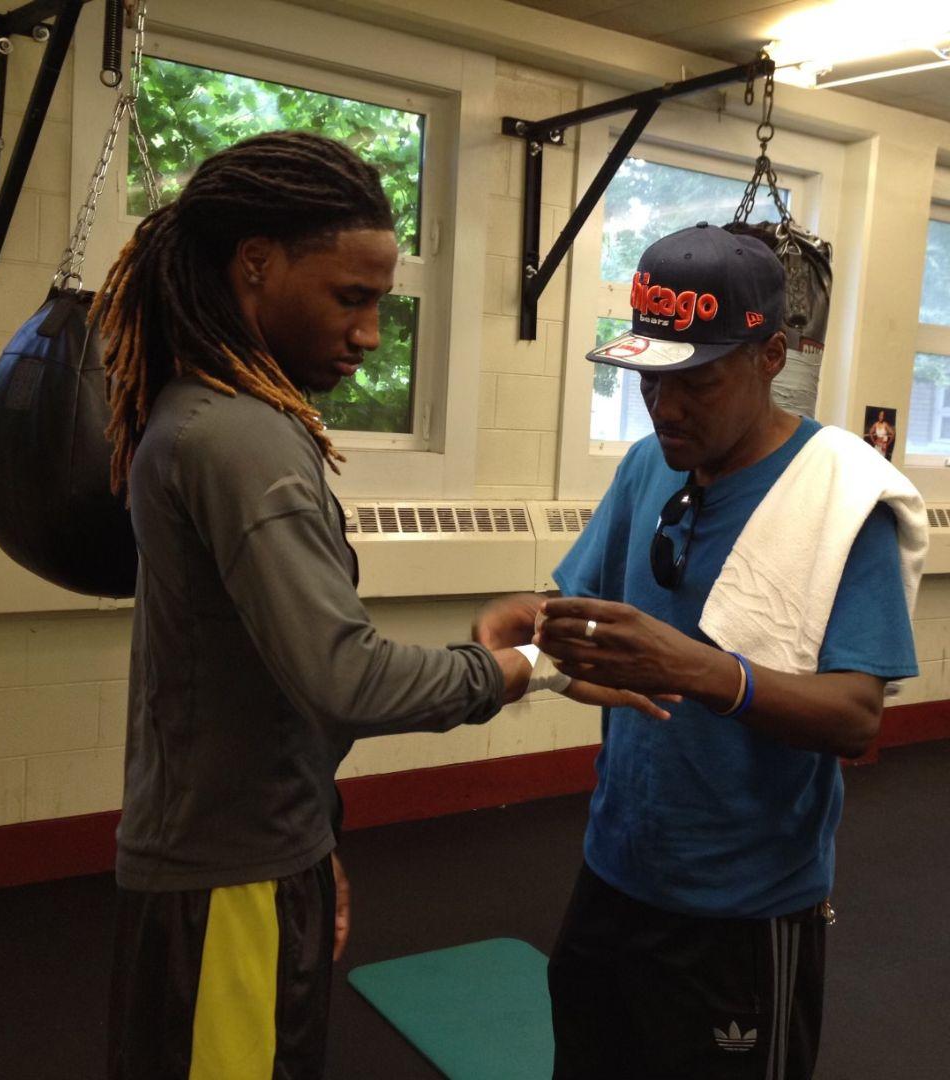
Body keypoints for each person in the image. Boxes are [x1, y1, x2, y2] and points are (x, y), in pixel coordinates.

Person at [93, 131, 665, 1079]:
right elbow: (344, 680)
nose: (367, 333)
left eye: (378, 304)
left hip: (253, 854)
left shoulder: (202, 412)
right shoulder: (241, 437)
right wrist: (543, 667)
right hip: (228, 879)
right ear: (255, 266)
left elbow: (276, 679)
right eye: (349, 298)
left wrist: (312, 838)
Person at [493, 222, 924, 1079]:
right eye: (653, 380)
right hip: (612, 876)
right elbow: (580, 618)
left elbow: (856, 718)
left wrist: (697, 668)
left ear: (773, 357)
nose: (667, 407)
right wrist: (523, 621)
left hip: (743, 909)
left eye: (699, 381)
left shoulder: (843, 496)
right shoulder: (649, 467)